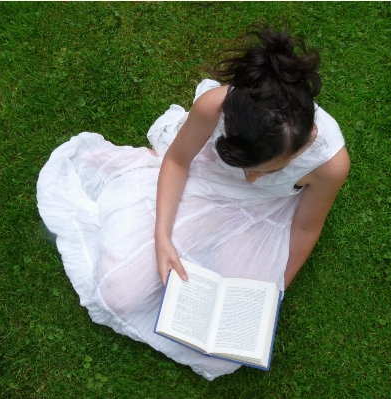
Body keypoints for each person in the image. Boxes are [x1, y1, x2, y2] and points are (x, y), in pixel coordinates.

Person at [37, 25, 350, 380]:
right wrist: (162, 237)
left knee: (224, 354)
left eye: (269, 169)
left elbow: (307, 225)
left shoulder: (330, 164)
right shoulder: (214, 107)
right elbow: (178, 161)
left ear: (302, 148)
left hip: (263, 212)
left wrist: (273, 291)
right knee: (119, 291)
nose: (253, 177)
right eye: (248, 166)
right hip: (205, 179)